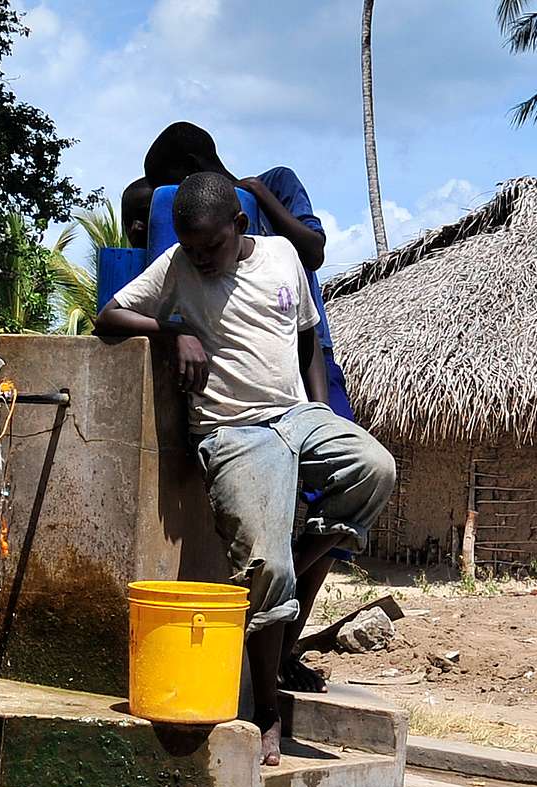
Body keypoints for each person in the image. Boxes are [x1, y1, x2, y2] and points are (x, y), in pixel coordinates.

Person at [96, 173, 396, 766]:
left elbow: (309, 336)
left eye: (211, 245)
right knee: (265, 564)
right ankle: (266, 710)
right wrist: (173, 329)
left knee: (376, 468)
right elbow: (110, 317)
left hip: (296, 417)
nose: (201, 258)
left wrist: (316, 406)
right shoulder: (179, 267)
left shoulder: (284, 255)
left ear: (239, 225)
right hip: (234, 431)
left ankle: (304, 544)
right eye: (190, 245)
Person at [143, 122, 354, 693]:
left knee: (331, 507)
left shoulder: (276, 186)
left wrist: (254, 195)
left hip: (304, 373)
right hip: (243, 409)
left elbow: (314, 251)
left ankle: (282, 645)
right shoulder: (189, 225)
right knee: (273, 547)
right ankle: (271, 646)